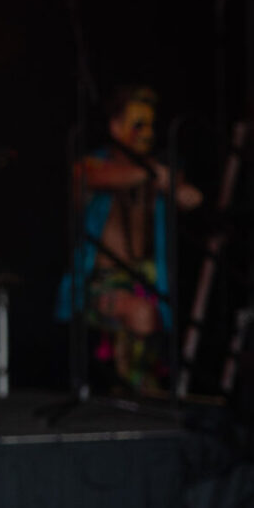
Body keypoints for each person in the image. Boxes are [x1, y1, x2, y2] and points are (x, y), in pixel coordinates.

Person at [57, 85, 202, 392]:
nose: (147, 133)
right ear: (115, 127)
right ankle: (140, 398)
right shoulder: (92, 165)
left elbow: (192, 199)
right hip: (99, 285)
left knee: (151, 321)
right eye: (138, 125)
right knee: (140, 313)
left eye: (150, 125)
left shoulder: (158, 171)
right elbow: (96, 177)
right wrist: (153, 173)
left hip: (150, 281)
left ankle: (136, 399)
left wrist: (176, 186)